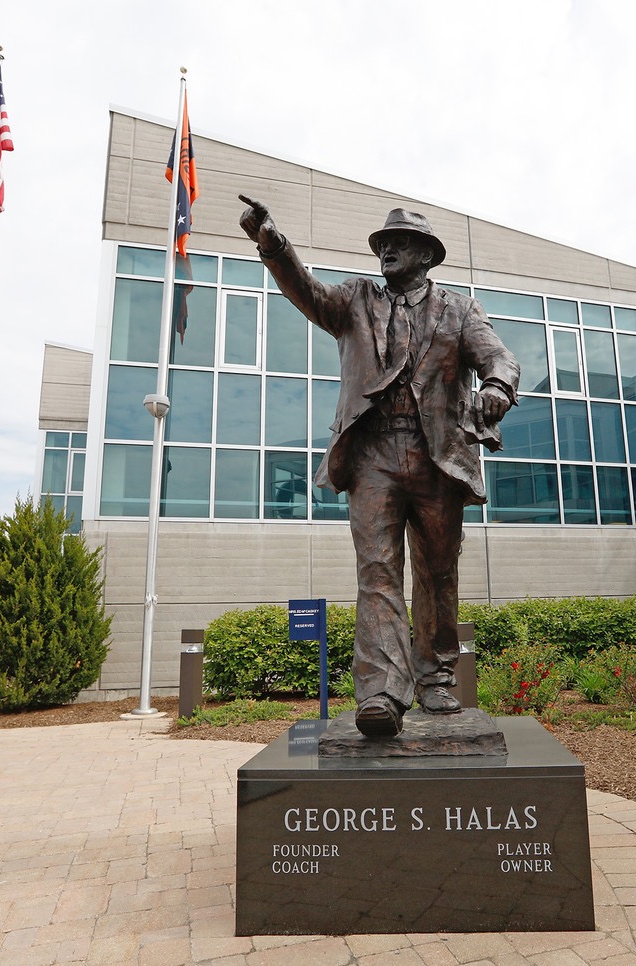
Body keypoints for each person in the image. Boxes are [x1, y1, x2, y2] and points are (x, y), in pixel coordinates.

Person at [239, 196, 520, 737]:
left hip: (438, 457)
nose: (387, 249)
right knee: (377, 571)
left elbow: (498, 357)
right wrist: (272, 242)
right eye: (383, 243)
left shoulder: (459, 310)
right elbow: (308, 292)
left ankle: (435, 677)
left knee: (438, 571)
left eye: (400, 243)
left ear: (426, 255)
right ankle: (382, 692)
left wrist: (497, 387)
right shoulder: (353, 300)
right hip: (371, 457)